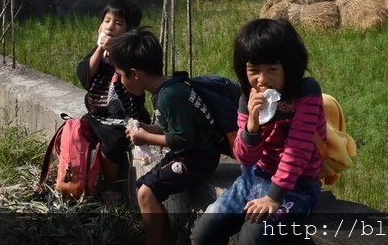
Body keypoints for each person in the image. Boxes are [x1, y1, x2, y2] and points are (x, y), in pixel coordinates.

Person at [191, 19, 325, 245]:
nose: (263, 79)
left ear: (289, 67)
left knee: (252, 237)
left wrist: (274, 197)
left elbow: (298, 150)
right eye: (254, 70)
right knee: (202, 233)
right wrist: (252, 125)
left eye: (272, 69)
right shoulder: (247, 98)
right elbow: (245, 157)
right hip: (254, 177)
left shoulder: (305, 93)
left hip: (297, 184)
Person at [108, 30, 223, 245]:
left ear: (134, 74)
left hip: (198, 159)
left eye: (121, 76)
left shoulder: (169, 96)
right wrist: (146, 128)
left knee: (146, 193)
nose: (121, 83)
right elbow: (168, 126)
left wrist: (145, 138)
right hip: (190, 154)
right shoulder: (167, 88)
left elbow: (182, 139)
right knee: (143, 187)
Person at [75, 0, 150, 197]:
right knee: (78, 132)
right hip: (97, 115)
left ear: (130, 31)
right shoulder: (100, 52)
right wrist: (100, 50)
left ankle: (110, 188)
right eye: (106, 20)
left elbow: (131, 80)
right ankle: (80, 180)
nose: (110, 26)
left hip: (123, 118)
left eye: (118, 23)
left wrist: (115, 51)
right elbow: (86, 76)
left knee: (112, 144)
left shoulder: (130, 54)